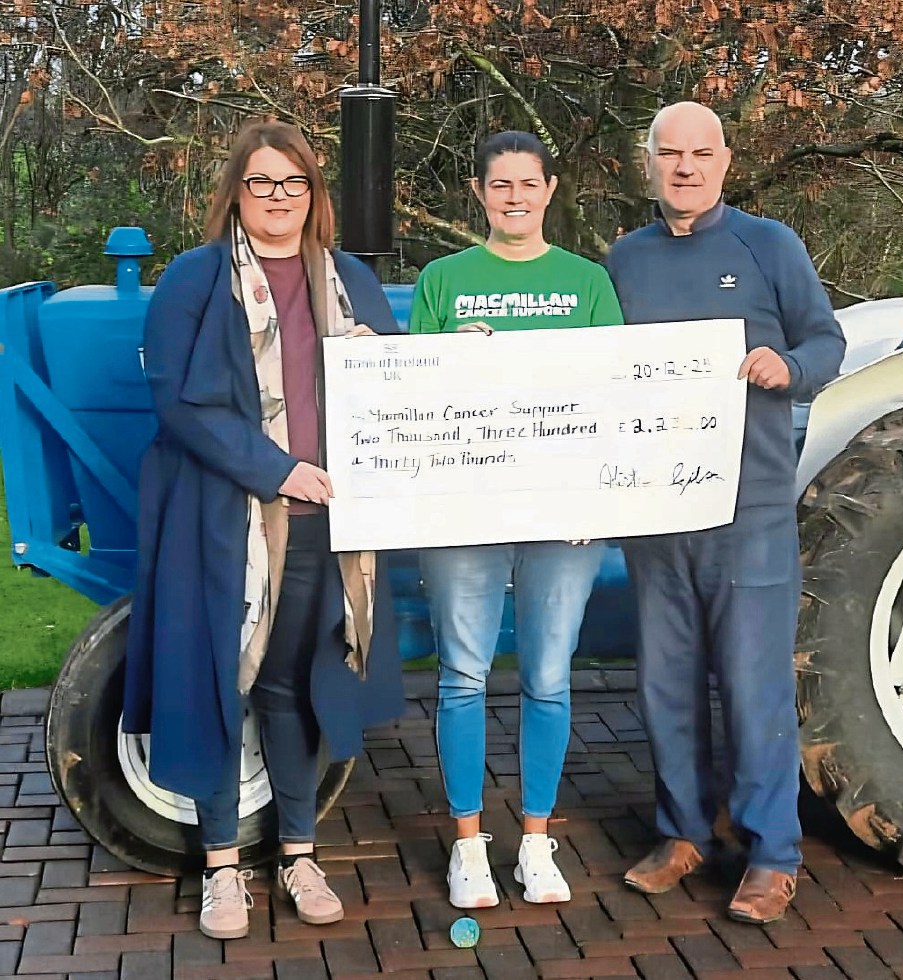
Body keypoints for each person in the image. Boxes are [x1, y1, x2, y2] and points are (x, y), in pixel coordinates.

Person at [122, 119, 405, 940]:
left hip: (323, 524)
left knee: (290, 682)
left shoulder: (348, 278)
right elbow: (178, 402)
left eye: (294, 183)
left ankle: (298, 853)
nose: (278, 198)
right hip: (226, 518)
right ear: (236, 194)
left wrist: (453, 354)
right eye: (261, 183)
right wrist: (274, 469)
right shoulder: (194, 280)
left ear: (314, 193)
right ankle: (221, 866)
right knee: (223, 678)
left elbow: (394, 381)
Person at [606, 102, 846, 924]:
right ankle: (682, 833)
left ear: (725, 162)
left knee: (752, 688)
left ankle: (771, 854)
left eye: (700, 155)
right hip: (654, 512)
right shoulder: (623, 260)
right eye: (668, 154)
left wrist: (789, 366)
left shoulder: (768, 244)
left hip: (749, 507)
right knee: (665, 684)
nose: (684, 168)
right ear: (648, 163)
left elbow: (826, 343)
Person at [409, 131, 624, 909]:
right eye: (499, 185)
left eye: (527, 184)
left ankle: (536, 838)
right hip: (464, 509)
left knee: (547, 677)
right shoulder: (444, 279)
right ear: (479, 192)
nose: (514, 198)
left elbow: (613, 395)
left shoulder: (587, 282)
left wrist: (595, 497)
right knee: (464, 676)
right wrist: (447, 358)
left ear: (550, 189)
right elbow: (410, 400)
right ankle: (470, 845)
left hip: (562, 513)